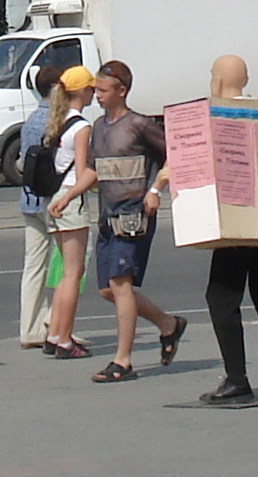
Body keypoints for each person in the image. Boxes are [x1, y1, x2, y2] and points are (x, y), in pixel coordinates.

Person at [74, 60, 183, 383]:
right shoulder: (99, 126)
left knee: (121, 285)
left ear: (121, 91)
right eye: (95, 90)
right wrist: (67, 196)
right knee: (107, 290)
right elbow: (95, 168)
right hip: (107, 217)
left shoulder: (139, 124)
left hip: (134, 216)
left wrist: (155, 190)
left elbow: (175, 153)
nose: (97, 96)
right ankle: (168, 324)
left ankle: (123, 361)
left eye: (103, 91)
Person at [200, 52, 258, 405]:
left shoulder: (219, 117)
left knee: (220, 298)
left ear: (220, 81)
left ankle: (237, 378)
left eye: (213, 75)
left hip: (235, 222)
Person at [39, 66, 100, 359]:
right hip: (70, 200)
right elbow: (82, 172)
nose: (94, 94)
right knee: (74, 274)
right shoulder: (82, 126)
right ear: (82, 91)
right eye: (91, 89)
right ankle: (64, 338)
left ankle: (54, 334)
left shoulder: (58, 120)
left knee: (65, 272)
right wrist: (84, 189)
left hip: (53, 198)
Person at [14, 62, 71, 348]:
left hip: (29, 199)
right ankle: (57, 326)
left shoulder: (29, 122)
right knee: (65, 264)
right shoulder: (58, 120)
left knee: (33, 266)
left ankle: (30, 328)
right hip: (53, 200)